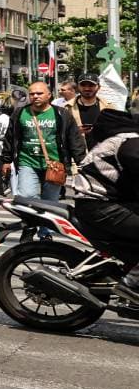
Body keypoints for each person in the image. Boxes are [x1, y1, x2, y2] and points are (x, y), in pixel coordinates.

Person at [67, 107, 139, 296]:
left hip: (107, 203)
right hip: (99, 205)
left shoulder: (123, 140)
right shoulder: (128, 142)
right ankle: (131, 283)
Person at [3, 81, 84, 201]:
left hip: (55, 165)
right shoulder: (19, 113)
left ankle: (43, 220)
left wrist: (81, 162)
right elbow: (10, 138)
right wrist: (6, 160)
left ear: (49, 95)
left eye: (39, 93)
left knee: (50, 202)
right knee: (27, 197)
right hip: (27, 163)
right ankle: (32, 219)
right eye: (32, 94)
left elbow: (74, 139)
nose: (35, 96)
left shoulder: (62, 114)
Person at [67, 76, 105, 142]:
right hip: (78, 150)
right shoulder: (67, 108)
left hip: (103, 149)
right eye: (83, 85)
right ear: (78, 87)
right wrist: (76, 131)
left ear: (98, 87)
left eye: (91, 85)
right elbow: (60, 132)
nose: (87, 88)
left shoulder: (108, 107)